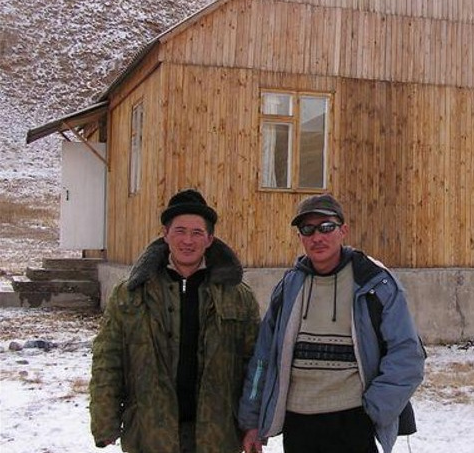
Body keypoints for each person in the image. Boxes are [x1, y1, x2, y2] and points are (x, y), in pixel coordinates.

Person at [238, 194, 425, 453]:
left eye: (326, 227)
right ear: (300, 236)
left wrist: (374, 409)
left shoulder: (373, 283)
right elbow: (263, 358)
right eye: (308, 229)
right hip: (298, 423)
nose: (318, 237)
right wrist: (252, 421)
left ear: (343, 231)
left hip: (353, 420)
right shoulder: (289, 287)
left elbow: (408, 354)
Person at [90, 189, 261, 453]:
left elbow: (254, 364)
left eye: (197, 233)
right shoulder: (130, 294)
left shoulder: (238, 296)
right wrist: (105, 420)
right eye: (180, 231)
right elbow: (108, 358)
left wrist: (252, 424)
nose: (187, 241)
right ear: (165, 234)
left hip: (217, 436)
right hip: (150, 434)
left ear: (210, 239)